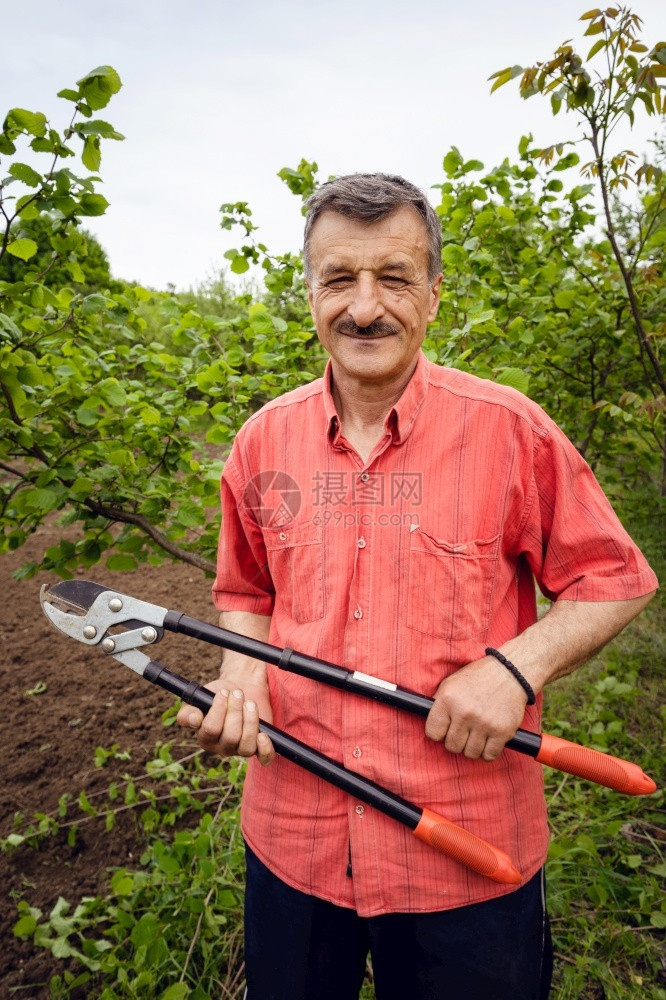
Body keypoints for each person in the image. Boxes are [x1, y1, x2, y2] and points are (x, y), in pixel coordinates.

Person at [178, 173, 657, 1000]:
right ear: (309, 293)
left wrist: (515, 670)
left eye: (393, 277)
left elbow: (617, 579)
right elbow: (247, 593)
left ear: (433, 296)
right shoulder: (262, 441)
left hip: (466, 853)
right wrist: (242, 672)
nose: (365, 306)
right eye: (339, 279)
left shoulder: (510, 431)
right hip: (294, 842)